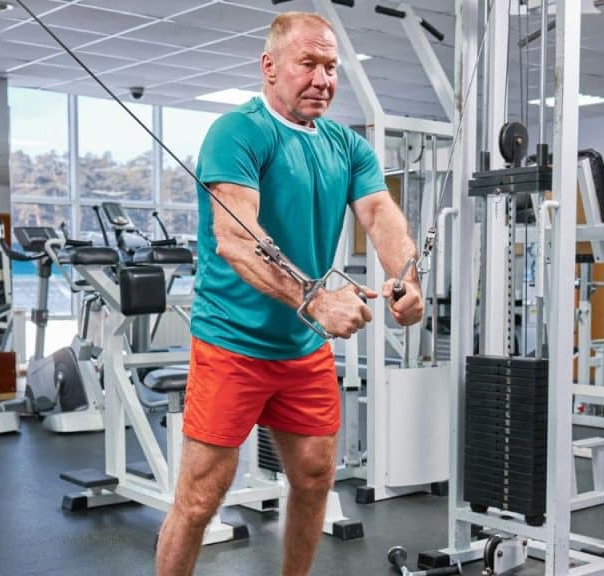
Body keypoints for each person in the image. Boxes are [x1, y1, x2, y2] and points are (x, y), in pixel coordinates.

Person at [155, 11, 424, 576]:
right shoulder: (239, 133)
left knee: (314, 477)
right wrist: (314, 298)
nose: (323, 78)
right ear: (270, 67)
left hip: (302, 349)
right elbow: (236, 239)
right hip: (233, 343)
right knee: (201, 498)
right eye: (309, 64)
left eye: (331, 67)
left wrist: (406, 278)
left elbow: (378, 212)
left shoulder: (346, 146)